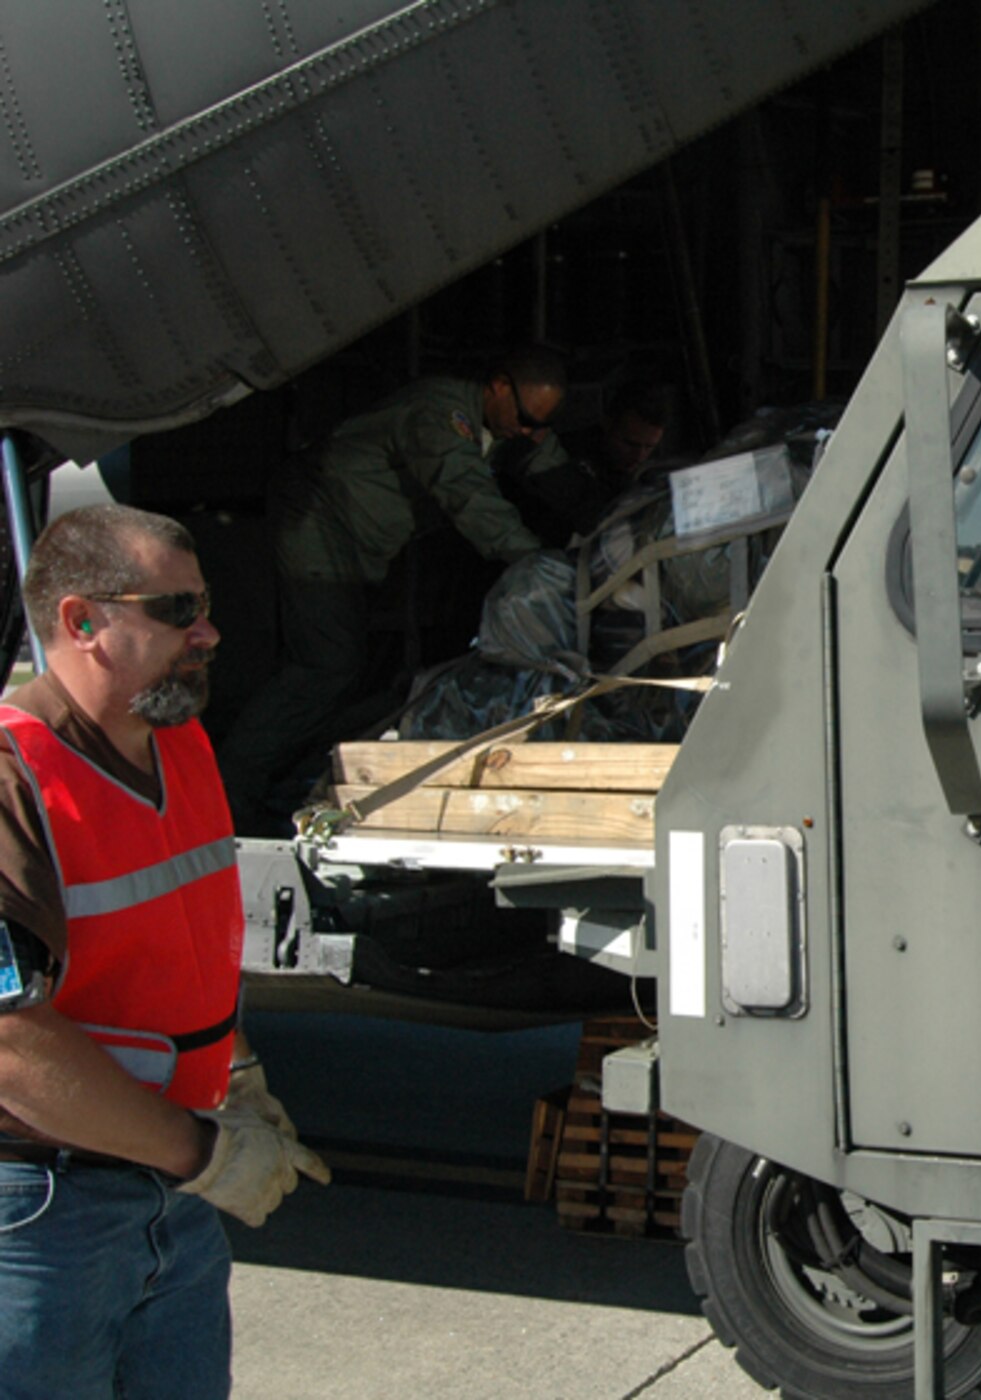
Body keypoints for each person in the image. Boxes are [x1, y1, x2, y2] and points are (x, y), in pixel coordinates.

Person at [0, 503, 329, 1399]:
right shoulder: (13, 776)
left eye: (206, 605)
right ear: (82, 623)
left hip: (170, 1200)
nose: (209, 633)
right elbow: (11, 1046)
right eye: (176, 611)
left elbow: (179, 947)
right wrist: (206, 1156)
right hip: (41, 1215)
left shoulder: (178, 746)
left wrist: (240, 1069)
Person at [218, 345, 567, 831]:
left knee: (354, 671)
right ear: (499, 387)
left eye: (539, 424)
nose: (528, 431)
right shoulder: (439, 417)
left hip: (359, 539)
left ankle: (282, 782)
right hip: (320, 516)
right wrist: (541, 563)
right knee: (325, 665)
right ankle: (228, 791)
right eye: (526, 418)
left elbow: (549, 465)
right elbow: (467, 494)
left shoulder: (508, 424)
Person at [503, 380, 675, 547]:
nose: (639, 455)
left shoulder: (656, 470)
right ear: (607, 424)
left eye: (649, 447)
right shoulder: (564, 461)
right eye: (630, 444)